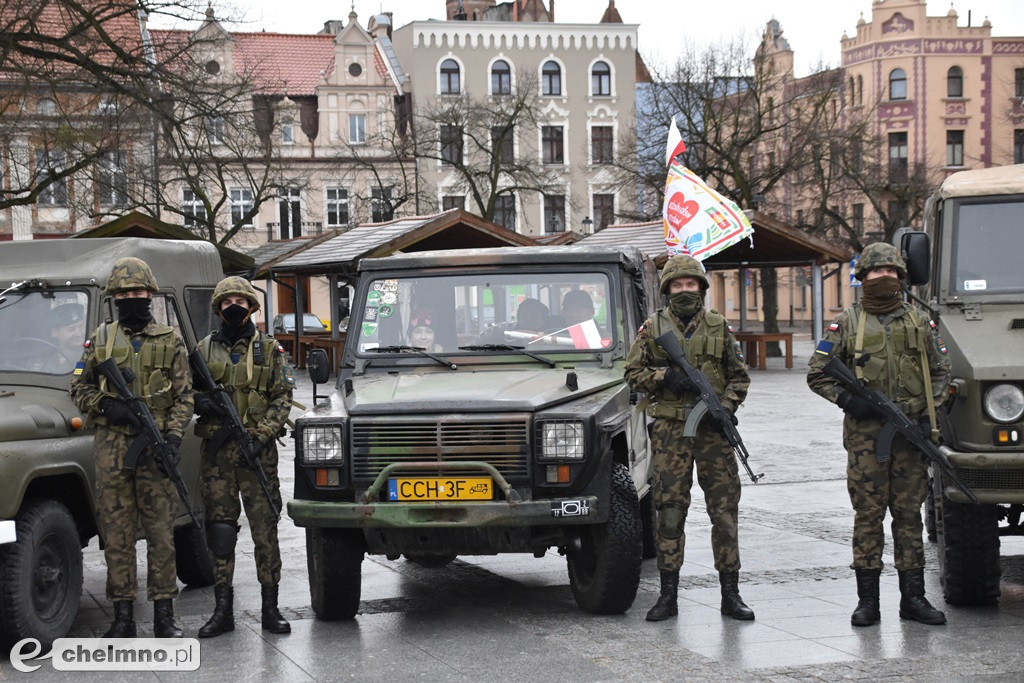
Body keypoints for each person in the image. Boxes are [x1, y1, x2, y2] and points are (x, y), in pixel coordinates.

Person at [807, 242, 951, 627]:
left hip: (910, 440)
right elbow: (817, 372)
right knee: (868, 516)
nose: (884, 277)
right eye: (876, 272)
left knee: (908, 517)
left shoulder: (921, 321)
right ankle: (868, 601)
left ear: (901, 277)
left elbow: (940, 372)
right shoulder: (847, 323)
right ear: (863, 278)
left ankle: (914, 599)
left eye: (891, 272)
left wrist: (927, 415)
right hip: (865, 442)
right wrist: (848, 401)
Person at [624, 254, 753, 623]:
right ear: (667, 290)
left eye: (690, 284)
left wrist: (725, 407)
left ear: (701, 287)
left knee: (724, 513)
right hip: (670, 434)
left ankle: (731, 594)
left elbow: (739, 376)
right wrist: (666, 378)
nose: (684, 290)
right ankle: (668, 596)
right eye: (677, 285)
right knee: (669, 512)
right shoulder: (653, 328)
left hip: (713, 434)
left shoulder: (719, 326)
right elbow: (632, 372)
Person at [69, 257, 193, 638]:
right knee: (117, 536)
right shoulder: (100, 339)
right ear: (114, 299)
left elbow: (184, 397)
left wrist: (172, 437)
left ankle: (164, 615)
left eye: (138, 293)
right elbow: (78, 387)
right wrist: (108, 405)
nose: (131, 299)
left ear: (150, 295)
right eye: (123, 294)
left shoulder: (170, 340)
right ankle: (122, 616)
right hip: (112, 450)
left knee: (160, 534)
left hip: (155, 451)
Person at [193, 277, 295, 638]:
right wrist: (200, 402)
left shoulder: (269, 350)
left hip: (258, 456)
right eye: (227, 300)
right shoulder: (203, 350)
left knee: (265, 530)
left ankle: (271, 608)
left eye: (240, 300)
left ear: (252, 306)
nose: (233, 305)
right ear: (218, 307)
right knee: (220, 532)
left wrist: (261, 435)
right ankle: (223, 611)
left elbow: (283, 398)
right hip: (218, 457)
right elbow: (184, 392)